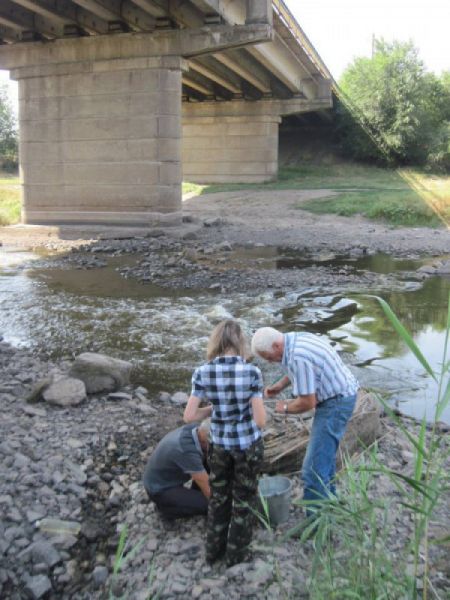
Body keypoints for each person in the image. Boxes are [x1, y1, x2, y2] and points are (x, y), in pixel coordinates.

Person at [184, 319, 266, 566]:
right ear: (240, 342)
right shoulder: (252, 372)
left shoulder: (203, 372)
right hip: (247, 447)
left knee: (219, 497)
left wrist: (215, 410)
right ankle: (236, 556)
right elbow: (260, 421)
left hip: (219, 446)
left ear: (216, 341)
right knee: (243, 499)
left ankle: (213, 553)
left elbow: (189, 416)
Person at [251, 327, 359, 515]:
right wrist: (279, 385)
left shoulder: (297, 357)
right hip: (344, 392)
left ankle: (316, 523)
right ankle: (330, 502)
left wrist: (284, 408)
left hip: (336, 403)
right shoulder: (295, 338)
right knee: (324, 457)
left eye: (269, 357)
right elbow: (301, 371)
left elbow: (308, 402)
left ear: (276, 345)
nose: (270, 361)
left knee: (312, 468)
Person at [142, 420, 211, 519]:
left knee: (211, 459)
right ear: (204, 441)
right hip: (160, 489)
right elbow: (209, 492)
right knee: (209, 505)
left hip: (169, 476)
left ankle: (193, 493)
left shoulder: (197, 428)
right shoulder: (186, 451)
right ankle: (165, 510)